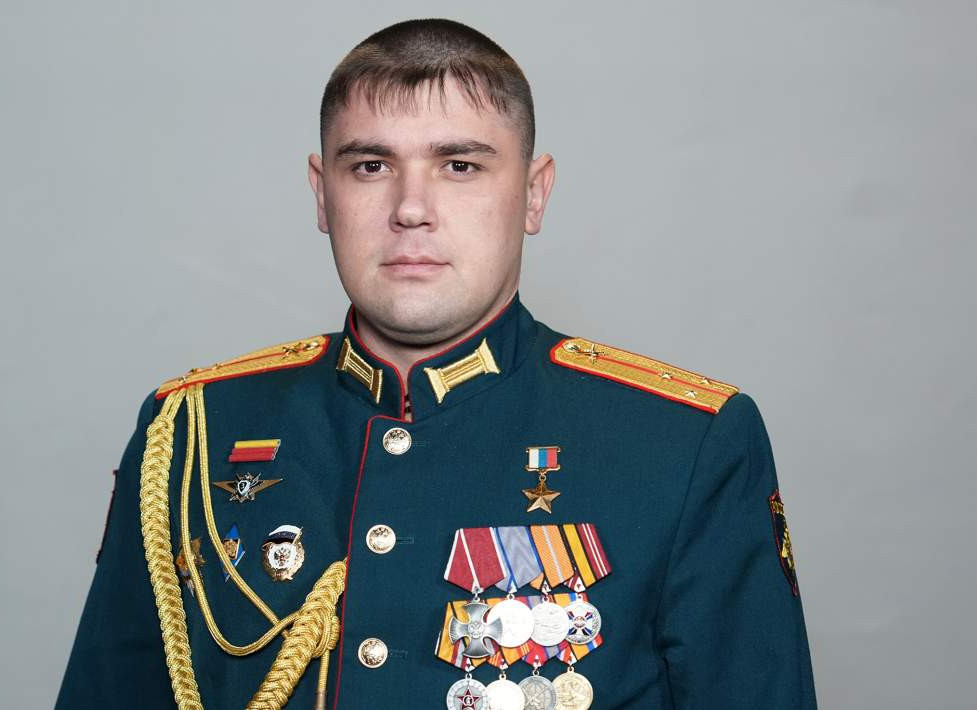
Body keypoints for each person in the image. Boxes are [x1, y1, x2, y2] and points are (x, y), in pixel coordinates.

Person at [57, 18, 816, 710]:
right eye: (369, 166)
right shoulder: (191, 431)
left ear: (533, 195)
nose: (410, 208)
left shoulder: (682, 443)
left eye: (459, 165)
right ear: (322, 196)